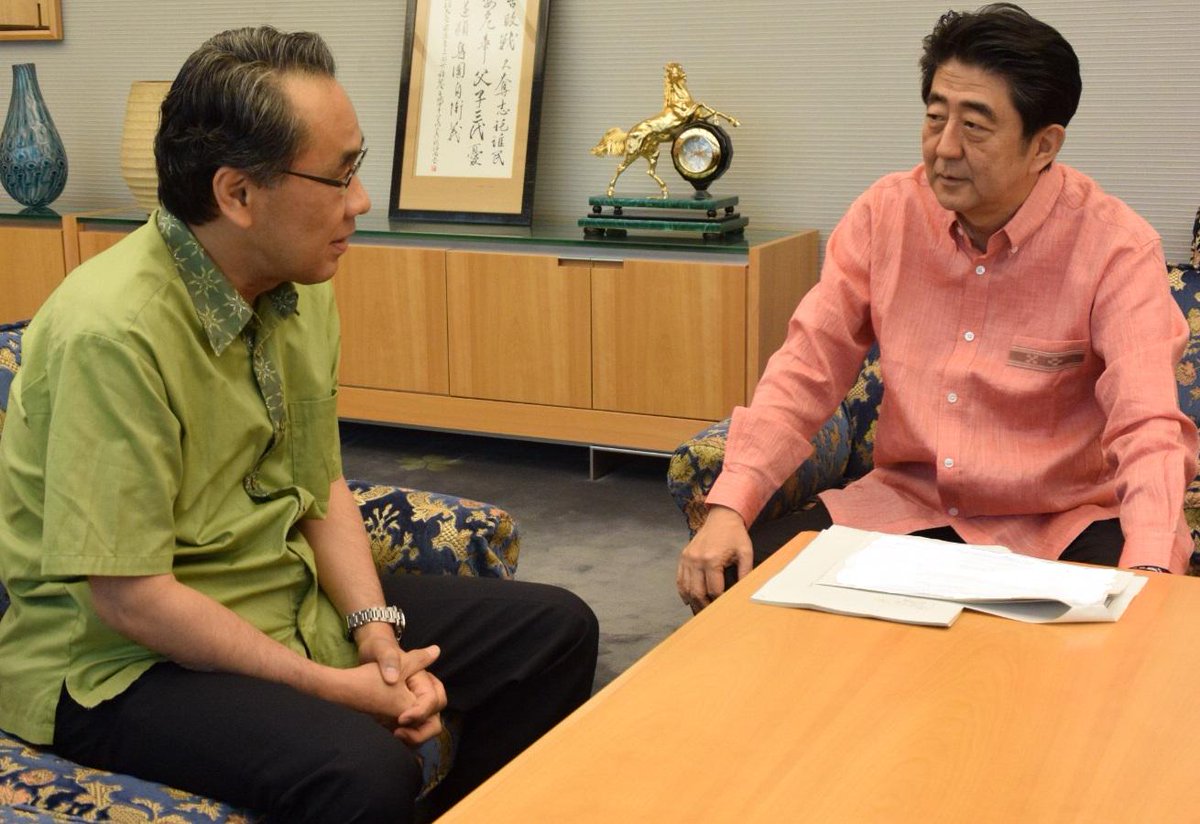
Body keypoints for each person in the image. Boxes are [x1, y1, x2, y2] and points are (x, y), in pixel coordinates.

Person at [0, 26, 598, 822]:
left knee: (555, 632)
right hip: (119, 661)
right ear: (237, 195)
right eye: (340, 175)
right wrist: (336, 690)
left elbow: (321, 483)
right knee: (361, 771)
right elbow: (132, 598)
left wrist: (376, 637)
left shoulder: (299, 286)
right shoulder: (112, 333)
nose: (362, 200)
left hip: (278, 594)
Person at [677, 3, 1198, 612]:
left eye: (974, 127)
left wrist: (1151, 561)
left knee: (1118, 632)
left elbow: (1147, 422)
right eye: (934, 118)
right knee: (739, 589)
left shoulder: (1114, 246)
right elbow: (807, 367)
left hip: (1061, 521)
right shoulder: (885, 216)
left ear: (1043, 145)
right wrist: (730, 505)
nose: (944, 148)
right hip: (906, 509)